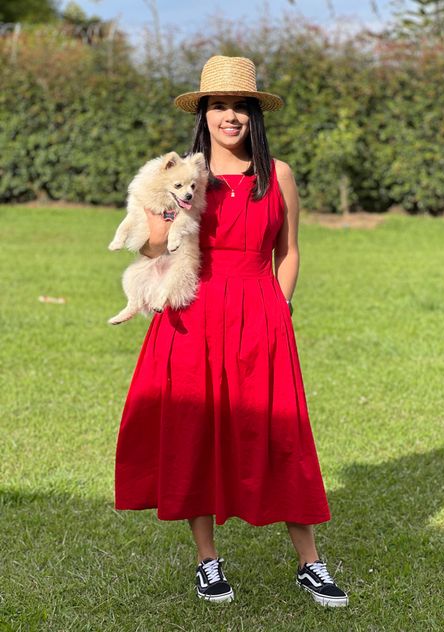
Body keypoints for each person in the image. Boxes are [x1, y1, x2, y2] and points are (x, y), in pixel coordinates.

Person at [114, 55, 348, 608]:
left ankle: (310, 564)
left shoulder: (279, 175)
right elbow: (151, 245)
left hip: (260, 312)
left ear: (253, 116)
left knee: (281, 433)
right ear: (204, 114)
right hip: (193, 312)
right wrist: (167, 216)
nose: (230, 116)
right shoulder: (182, 177)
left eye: (240, 107)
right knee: (194, 430)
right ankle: (207, 561)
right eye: (219, 106)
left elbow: (288, 252)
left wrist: (280, 305)